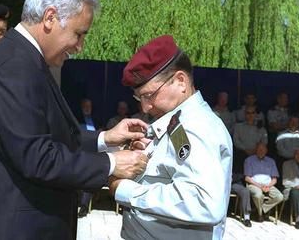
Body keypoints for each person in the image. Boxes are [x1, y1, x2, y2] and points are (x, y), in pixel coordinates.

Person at [0, 0, 149, 240]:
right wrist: (111, 164)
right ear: (50, 18)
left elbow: (50, 133)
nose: (81, 46)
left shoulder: (27, 60)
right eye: (78, 33)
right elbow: (38, 157)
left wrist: (106, 138)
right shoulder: (15, 66)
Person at [109, 35, 233, 240]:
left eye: (149, 95)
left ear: (181, 81)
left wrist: (127, 190)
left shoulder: (195, 127)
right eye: (139, 98)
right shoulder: (178, 121)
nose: (145, 107)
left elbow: (204, 202)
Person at [244, 142, 283, 222]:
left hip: (268, 185)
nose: (261, 151)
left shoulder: (271, 161)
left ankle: (261, 210)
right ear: (256, 150)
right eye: (259, 149)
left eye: (263, 149)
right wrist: (260, 186)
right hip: (254, 184)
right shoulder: (249, 160)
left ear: (266, 151)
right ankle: (260, 215)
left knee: (280, 196)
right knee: (258, 195)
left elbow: (274, 179)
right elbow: (247, 178)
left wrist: (268, 186)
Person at [233, 105, 268, 172]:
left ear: (255, 114)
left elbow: (264, 141)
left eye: (252, 113)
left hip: (257, 154)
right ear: (245, 114)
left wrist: (256, 150)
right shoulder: (238, 127)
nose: (250, 115)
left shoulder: (261, 128)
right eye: (248, 113)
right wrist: (246, 149)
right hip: (242, 153)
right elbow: (236, 141)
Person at [282, 149, 299, 230]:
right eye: (297, 154)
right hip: (295, 188)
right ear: (294, 155)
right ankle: (298, 219)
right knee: (295, 192)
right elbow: (285, 182)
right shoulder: (287, 164)